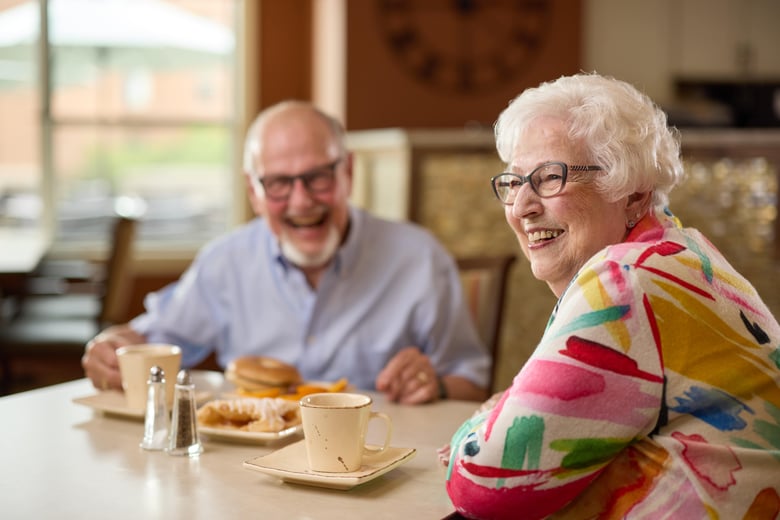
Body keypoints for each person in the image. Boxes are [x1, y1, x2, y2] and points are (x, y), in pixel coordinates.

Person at [442, 73, 780, 518]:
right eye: (513, 182)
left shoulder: (627, 279)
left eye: (548, 178)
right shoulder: (678, 254)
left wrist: (474, 428)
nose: (522, 206)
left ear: (633, 195)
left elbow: (485, 484)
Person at [82, 100, 490, 405]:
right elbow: (154, 343)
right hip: (249, 477)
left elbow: (472, 383)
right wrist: (112, 349)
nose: (301, 202)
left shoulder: (419, 258)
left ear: (347, 172)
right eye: (278, 183)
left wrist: (434, 383)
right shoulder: (225, 261)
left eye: (318, 177)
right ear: (253, 192)